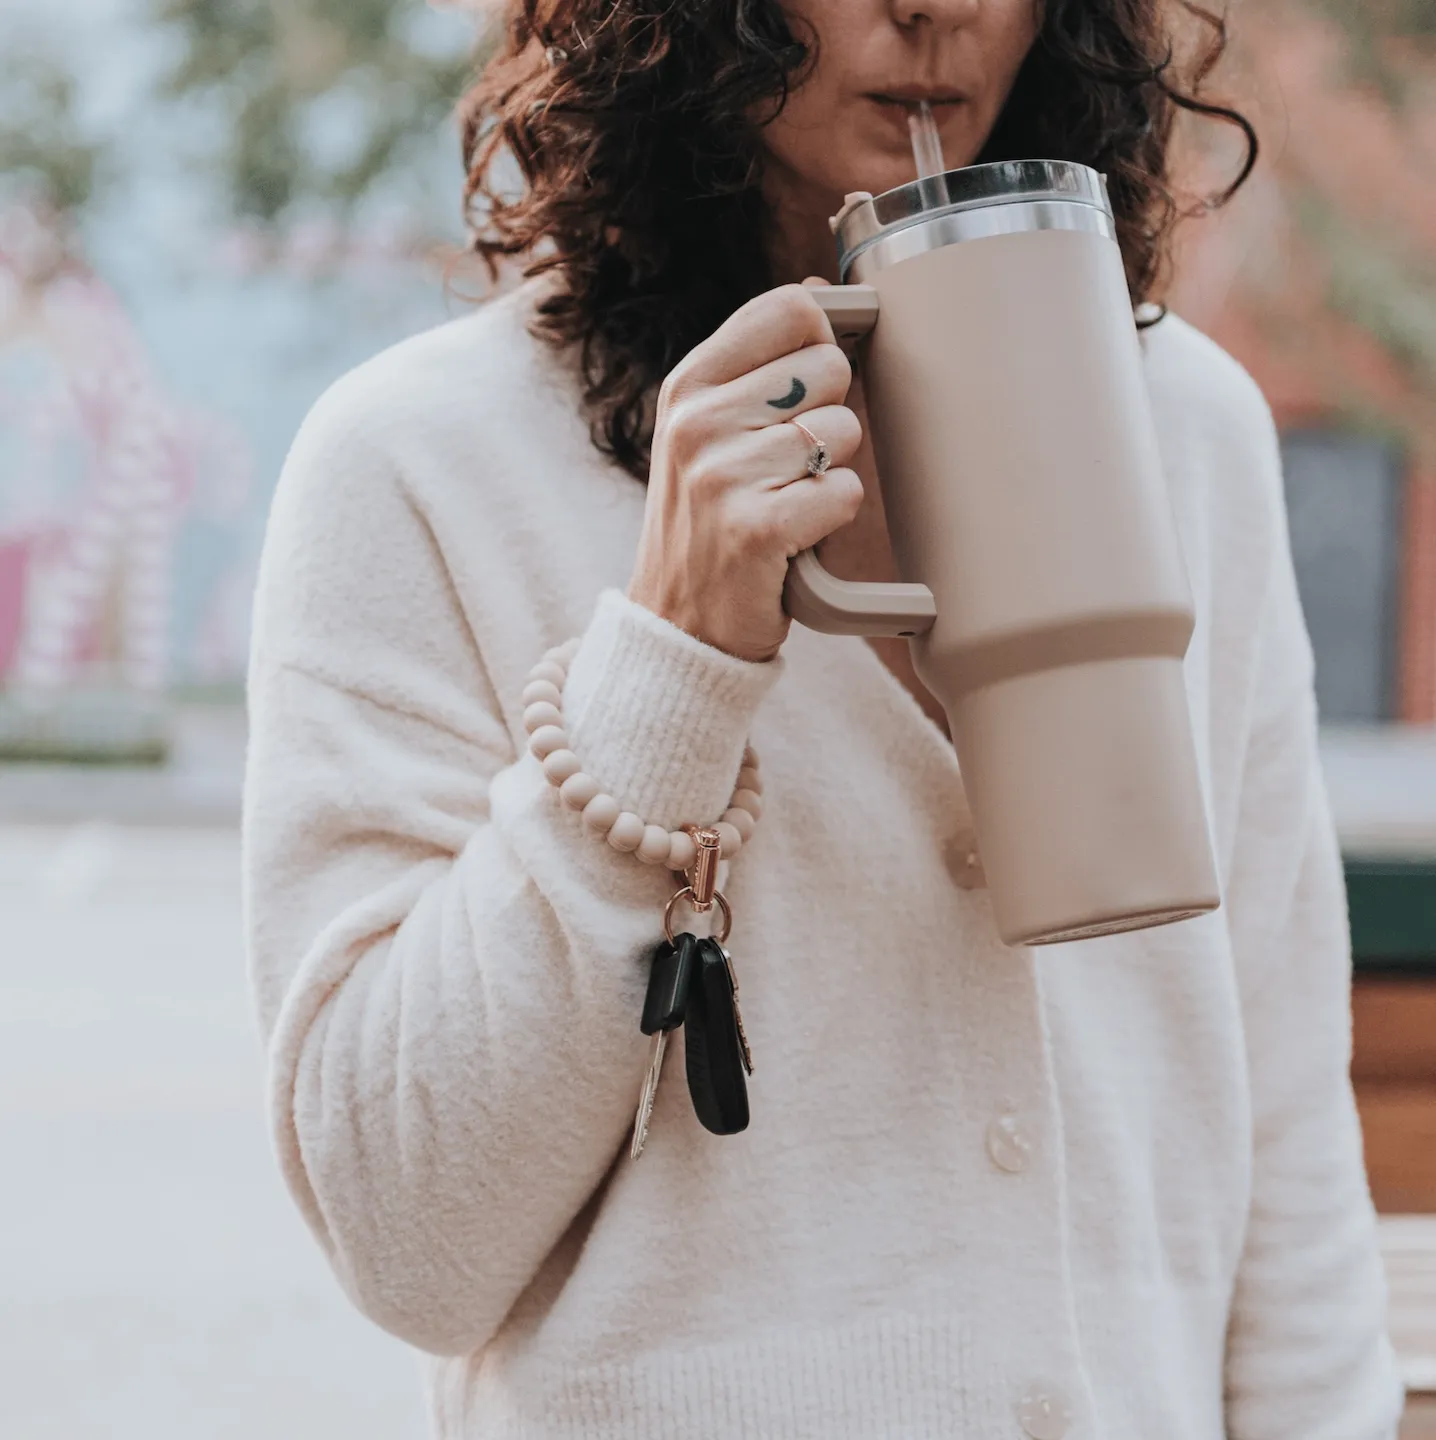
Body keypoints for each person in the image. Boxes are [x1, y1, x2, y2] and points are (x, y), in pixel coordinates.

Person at [242, 2, 1402, 1435]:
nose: (933, 8)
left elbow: (1279, 1126)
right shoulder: (422, 461)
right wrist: (665, 663)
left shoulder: (1191, 431)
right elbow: (406, 1238)